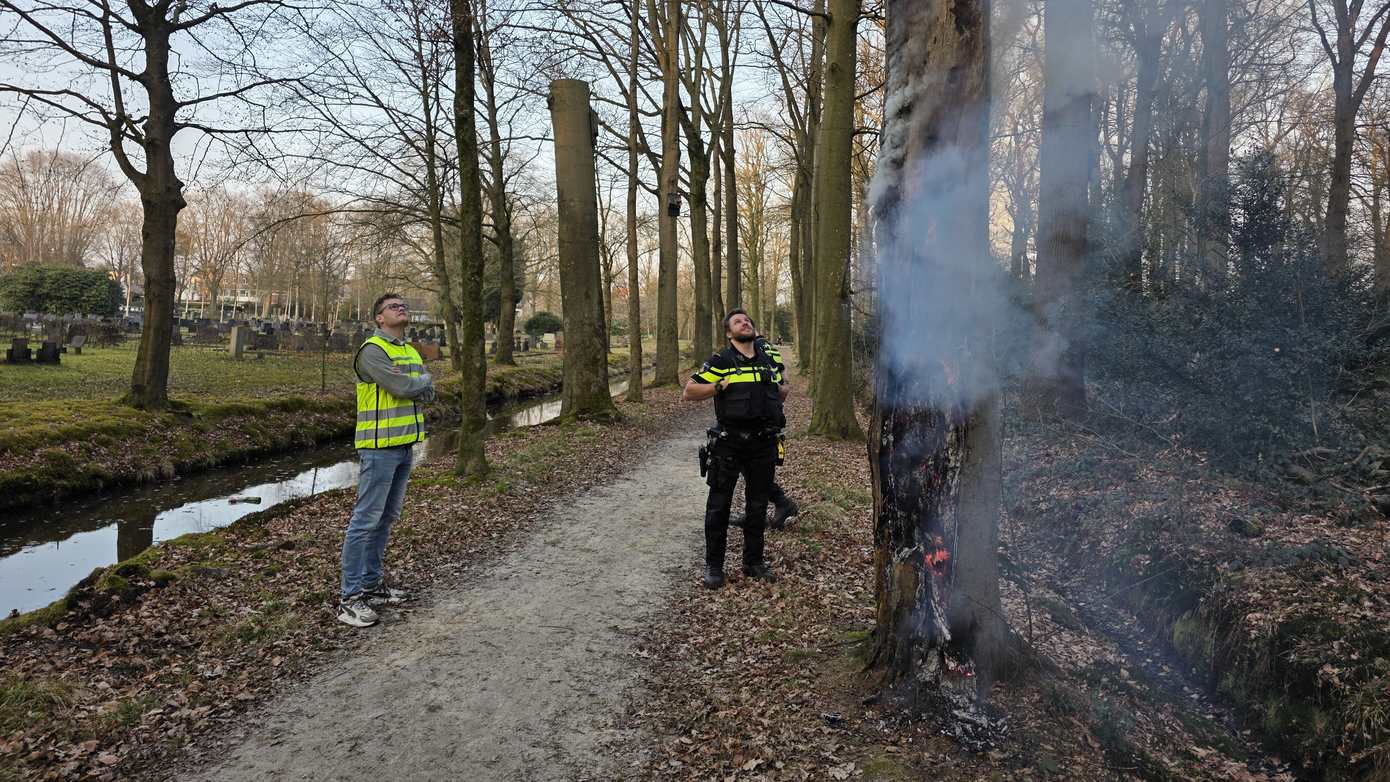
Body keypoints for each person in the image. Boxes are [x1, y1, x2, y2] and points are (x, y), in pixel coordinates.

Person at [338, 293, 436, 627]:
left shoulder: (407, 350)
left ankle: (372, 586)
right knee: (365, 520)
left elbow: (425, 389)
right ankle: (349, 599)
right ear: (379, 318)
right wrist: (415, 383)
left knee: (386, 518)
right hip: (379, 448)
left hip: (406, 445)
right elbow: (402, 386)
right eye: (393, 307)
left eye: (402, 306)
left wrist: (415, 383)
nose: (401, 309)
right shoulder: (372, 351)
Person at [683, 309, 790, 589]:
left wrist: (779, 391)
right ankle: (714, 567)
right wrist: (718, 386)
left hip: (763, 443)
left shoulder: (767, 360)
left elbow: (782, 389)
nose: (746, 323)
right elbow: (689, 391)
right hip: (729, 444)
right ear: (730, 333)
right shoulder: (722, 360)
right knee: (719, 506)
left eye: (747, 320)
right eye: (738, 322)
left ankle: (753, 563)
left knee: (757, 506)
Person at [730, 334, 799, 530]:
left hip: (758, 417)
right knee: (753, 467)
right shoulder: (772, 350)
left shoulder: (753, 350)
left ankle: (780, 503)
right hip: (772, 415)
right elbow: (784, 383)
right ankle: (758, 511)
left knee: (750, 466)